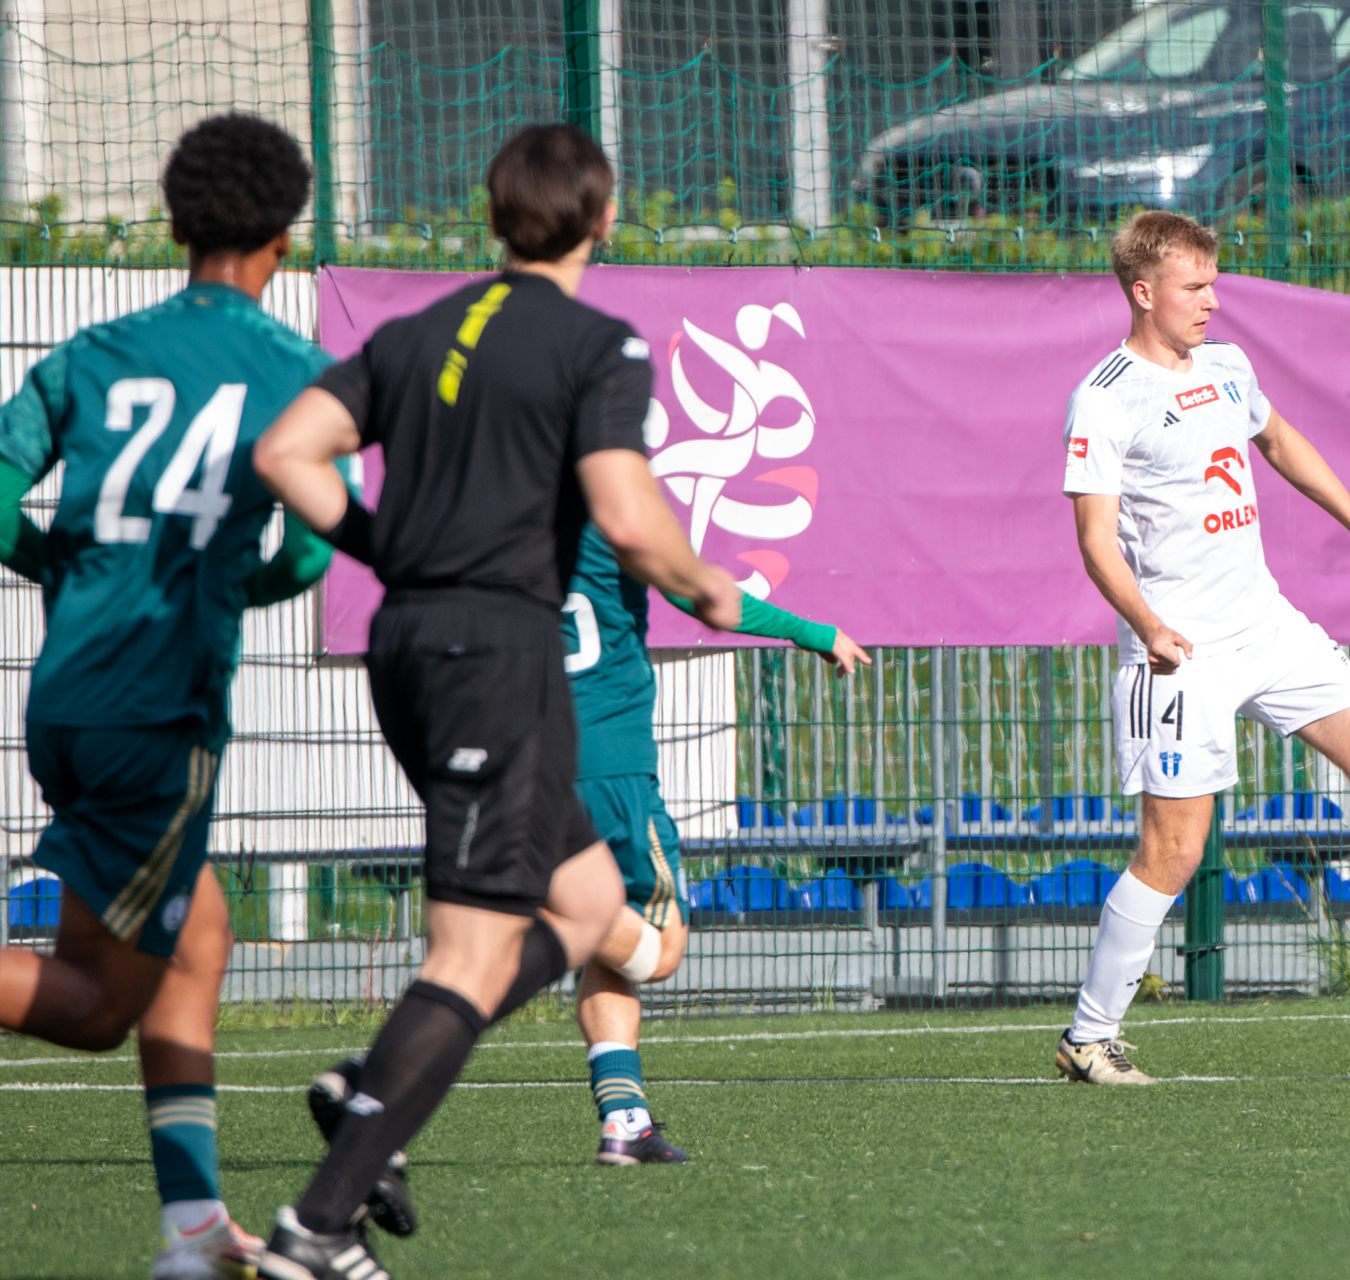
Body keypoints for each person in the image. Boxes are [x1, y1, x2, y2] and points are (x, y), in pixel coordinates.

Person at [250, 123, 739, 1280]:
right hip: (492, 655)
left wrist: (388, 546)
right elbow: (626, 514)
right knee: (475, 947)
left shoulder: (418, 331)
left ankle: (370, 1088)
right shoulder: (597, 343)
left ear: (494, 216)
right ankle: (318, 1224)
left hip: (416, 644)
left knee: (585, 900)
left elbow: (287, 452)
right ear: (602, 218)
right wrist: (703, 583)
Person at [0, 113, 336, 1277]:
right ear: (285, 237)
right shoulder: (299, 375)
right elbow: (311, 552)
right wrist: (234, 582)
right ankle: (191, 1230)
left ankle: (193, 1226)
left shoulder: (91, 352)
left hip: (67, 696)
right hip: (160, 710)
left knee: (197, 936)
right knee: (99, 1007)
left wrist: (55, 562)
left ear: (175, 222)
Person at [307, 531, 871, 1171]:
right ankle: (377, 1073)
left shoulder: (507, 527)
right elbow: (703, 594)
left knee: (597, 941)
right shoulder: (613, 517)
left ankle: (625, 1120)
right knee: (656, 947)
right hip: (609, 772)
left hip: (516, 760)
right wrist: (812, 632)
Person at [1055, 210, 1350, 1086]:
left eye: (1214, 285)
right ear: (1143, 292)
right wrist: (1148, 624)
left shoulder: (1227, 366)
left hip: (1267, 625)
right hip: (1181, 653)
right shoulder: (1106, 396)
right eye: (1194, 288)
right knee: (1175, 851)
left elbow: (1279, 439)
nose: (1212, 303)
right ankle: (1089, 1036)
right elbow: (1096, 540)